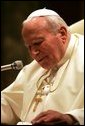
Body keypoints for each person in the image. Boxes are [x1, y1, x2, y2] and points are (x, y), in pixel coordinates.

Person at [1, 8, 84, 125]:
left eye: (37, 43)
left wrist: (72, 118)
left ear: (62, 34)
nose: (33, 53)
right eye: (29, 47)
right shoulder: (33, 69)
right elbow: (8, 103)